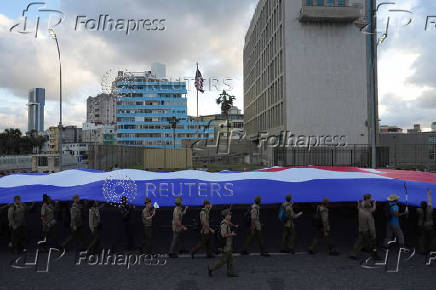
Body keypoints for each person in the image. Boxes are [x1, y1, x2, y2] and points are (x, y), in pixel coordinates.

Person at [208, 209, 238, 278]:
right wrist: (231, 234)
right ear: (225, 216)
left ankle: (230, 272)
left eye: (230, 215)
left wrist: (234, 226)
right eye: (229, 215)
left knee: (230, 259)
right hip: (226, 245)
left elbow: (230, 223)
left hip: (228, 245)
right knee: (222, 260)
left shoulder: (227, 222)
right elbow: (223, 235)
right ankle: (211, 268)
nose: (230, 216)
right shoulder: (224, 224)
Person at [350, 194, 378, 260]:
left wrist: (358, 203)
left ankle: (353, 254)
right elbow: (372, 227)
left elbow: (359, 207)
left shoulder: (360, 210)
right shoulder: (368, 215)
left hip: (361, 229)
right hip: (366, 231)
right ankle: (374, 255)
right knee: (372, 243)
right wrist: (373, 235)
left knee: (359, 242)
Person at [416, 189, 433, 255]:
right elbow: (430, 202)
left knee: (422, 239)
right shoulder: (430, 209)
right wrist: (429, 194)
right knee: (431, 238)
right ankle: (430, 249)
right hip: (429, 225)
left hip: (421, 226)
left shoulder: (419, 210)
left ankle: (422, 250)